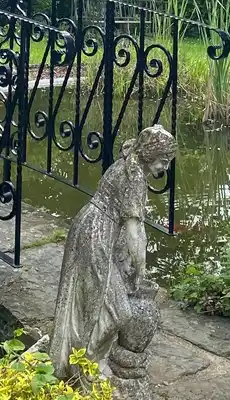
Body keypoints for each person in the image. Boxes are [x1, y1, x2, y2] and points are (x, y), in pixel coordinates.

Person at [50, 124, 176, 384]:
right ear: (151, 154)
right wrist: (140, 268)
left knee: (92, 303)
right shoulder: (133, 176)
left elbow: (135, 227)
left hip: (96, 230)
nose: (165, 168)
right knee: (105, 307)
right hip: (96, 235)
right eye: (164, 161)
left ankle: (86, 361)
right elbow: (133, 232)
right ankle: (84, 365)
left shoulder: (131, 165)